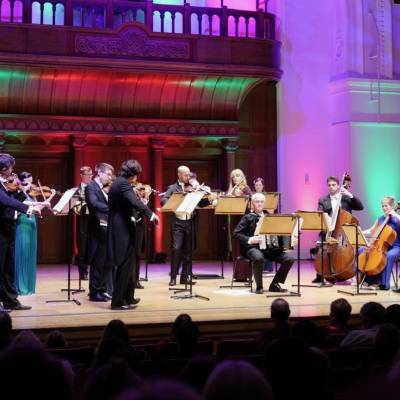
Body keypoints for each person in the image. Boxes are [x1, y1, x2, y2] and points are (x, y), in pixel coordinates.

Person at [107, 160, 159, 310]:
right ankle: (118, 302)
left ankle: (127, 297)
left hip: (124, 226)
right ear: (133, 174)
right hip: (120, 228)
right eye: (136, 175)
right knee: (124, 265)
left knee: (130, 264)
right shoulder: (123, 184)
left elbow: (131, 203)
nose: (137, 179)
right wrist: (151, 214)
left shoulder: (120, 182)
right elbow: (134, 202)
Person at [0, 154, 41, 310]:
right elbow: (5, 201)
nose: (12, 171)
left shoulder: (5, 183)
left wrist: (21, 191)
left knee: (8, 267)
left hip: (7, 229)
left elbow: (11, 197)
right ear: (4, 169)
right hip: (1, 230)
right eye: (11, 168)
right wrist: (29, 207)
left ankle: (10, 300)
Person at [233, 192, 294, 293]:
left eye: (262, 202)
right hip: (252, 248)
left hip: (269, 249)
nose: (260, 204)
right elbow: (236, 234)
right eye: (257, 201)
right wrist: (250, 239)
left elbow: (278, 233)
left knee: (289, 259)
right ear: (252, 203)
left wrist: (287, 242)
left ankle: (274, 285)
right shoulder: (247, 217)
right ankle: (259, 286)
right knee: (258, 257)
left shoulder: (269, 218)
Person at [161, 165, 212, 286]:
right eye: (185, 175)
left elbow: (199, 203)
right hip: (178, 222)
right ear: (179, 175)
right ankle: (173, 277)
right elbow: (163, 200)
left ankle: (185, 277)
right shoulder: (173, 188)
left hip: (190, 221)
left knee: (188, 251)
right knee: (176, 249)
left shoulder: (193, 188)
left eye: (189, 175)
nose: (188, 177)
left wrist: (210, 199)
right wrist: (182, 195)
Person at [313, 175, 364, 283]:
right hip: (329, 230)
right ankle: (320, 274)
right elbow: (320, 213)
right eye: (329, 185)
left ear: (338, 186)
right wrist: (329, 217)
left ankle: (348, 271)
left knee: (347, 249)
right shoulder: (323, 200)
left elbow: (360, 207)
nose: (331, 187)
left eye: (333, 185)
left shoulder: (346, 198)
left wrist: (350, 195)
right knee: (321, 246)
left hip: (343, 233)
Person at [14, 171, 54, 295]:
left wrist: (50, 197)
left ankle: (29, 287)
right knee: (23, 253)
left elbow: (36, 209)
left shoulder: (32, 194)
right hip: (23, 223)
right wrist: (41, 202)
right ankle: (20, 286)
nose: (30, 185)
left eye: (31, 182)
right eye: (27, 182)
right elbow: (23, 205)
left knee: (31, 253)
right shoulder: (17, 193)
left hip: (32, 223)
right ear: (21, 182)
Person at [85, 163, 114, 302]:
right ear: (100, 173)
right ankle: (94, 291)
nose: (109, 178)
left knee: (105, 261)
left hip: (105, 228)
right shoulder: (91, 186)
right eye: (108, 174)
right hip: (97, 228)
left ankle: (102, 289)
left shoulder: (102, 188)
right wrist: (113, 210)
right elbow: (93, 203)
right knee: (97, 261)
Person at [362, 196, 400, 291]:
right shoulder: (380, 219)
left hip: (396, 246)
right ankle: (370, 281)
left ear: (392, 206)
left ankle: (384, 284)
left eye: (386, 206)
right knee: (367, 252)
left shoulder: (396, 218)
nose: (384, 208)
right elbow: (371, 230)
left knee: (389, 255)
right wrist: (360, 231)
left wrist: (395, 214)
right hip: (383, 246)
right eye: (382, 206)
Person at [75, 166, 92, 281]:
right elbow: (75, 208)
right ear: (81, 175)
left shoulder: (94, 188)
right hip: (83, 220)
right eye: (87, 175)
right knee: (82, 246)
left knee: (94, 246)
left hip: (93, 219)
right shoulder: (76, 190)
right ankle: (83, 272)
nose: (90, 177)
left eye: (91, 175)